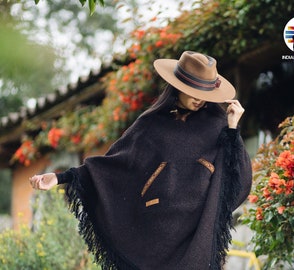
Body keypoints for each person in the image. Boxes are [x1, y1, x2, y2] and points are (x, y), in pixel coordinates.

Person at [30, 51, 252, 270]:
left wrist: (232, 129)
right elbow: (114, 166)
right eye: (193, 90)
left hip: (198, 237)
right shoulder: (151, 125)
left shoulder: (218, 127)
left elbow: (235, 179)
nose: (198, 98)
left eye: (204, 92)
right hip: (154, 237)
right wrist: (60, 178)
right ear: (177, 86)